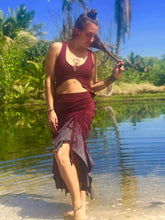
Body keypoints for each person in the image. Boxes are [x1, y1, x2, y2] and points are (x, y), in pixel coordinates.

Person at [45, 9, 124, 220]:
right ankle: (81, 203)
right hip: (61, 109)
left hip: (84, 108)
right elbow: (48, 80)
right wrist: (50, 109)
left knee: (61, 154)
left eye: (94, 35)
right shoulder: (57, 48)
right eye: (89, 34)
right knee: (72, 156)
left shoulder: (92, 56)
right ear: (77, 31)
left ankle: (78, 208)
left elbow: (92, 86)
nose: (92, 39)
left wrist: (113, 78)